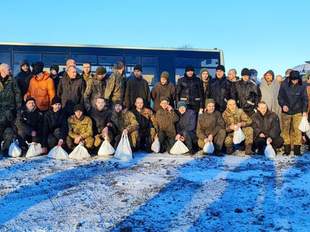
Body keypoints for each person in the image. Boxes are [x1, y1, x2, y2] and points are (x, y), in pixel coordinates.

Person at [278, 70, 308, 156]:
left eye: (296, 80)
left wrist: (304, 111)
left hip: (298, 111)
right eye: (293, 80)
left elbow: (305, 99)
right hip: (286, 111)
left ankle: (297, 150)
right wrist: (283, 105)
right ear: (290, 78)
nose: (295, 81)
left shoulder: (302, 86)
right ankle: (287, 149)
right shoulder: (284, 85)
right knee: (285, 130)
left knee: (297, 130)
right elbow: (280, 97)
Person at [0, 63, 22, 153]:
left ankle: (5, 150)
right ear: (2, 70)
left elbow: (18, 93)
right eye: (9, 69)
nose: (10, 71)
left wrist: (18, 107)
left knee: (9, 132)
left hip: (10, 111)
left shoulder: (12, 80)